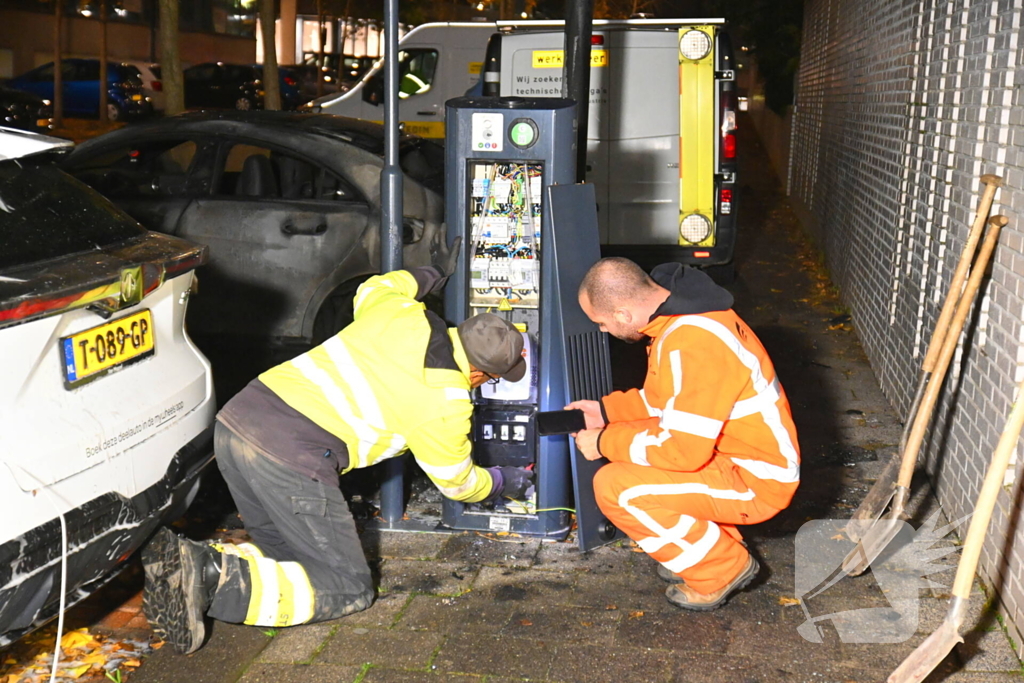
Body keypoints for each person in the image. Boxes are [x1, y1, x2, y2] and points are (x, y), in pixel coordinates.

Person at [142, 245, 534, 654]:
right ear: (478, 372)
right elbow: (457, 483)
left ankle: (186, 568)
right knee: (348, 588)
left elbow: (381, 284)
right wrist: (503, 481)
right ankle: (206, 573)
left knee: (290, 561)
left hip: (237, 422)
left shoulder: (401, 313)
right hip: (291, 456)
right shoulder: (446, 400)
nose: (483, 386)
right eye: (490, 380)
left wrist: (434, 271)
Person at [567, 257, 799, 611]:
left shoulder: (692, 343)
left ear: (624, 315)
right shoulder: (681, 317)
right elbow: (664, 401)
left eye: (602, 322)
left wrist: (602, 442)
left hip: (756, 477)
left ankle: (721, 568)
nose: (602, 330)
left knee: (616, 487)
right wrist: (604, 412)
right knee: (634, 444)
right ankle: (705, 548)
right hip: (736, 457)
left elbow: (681, 451)